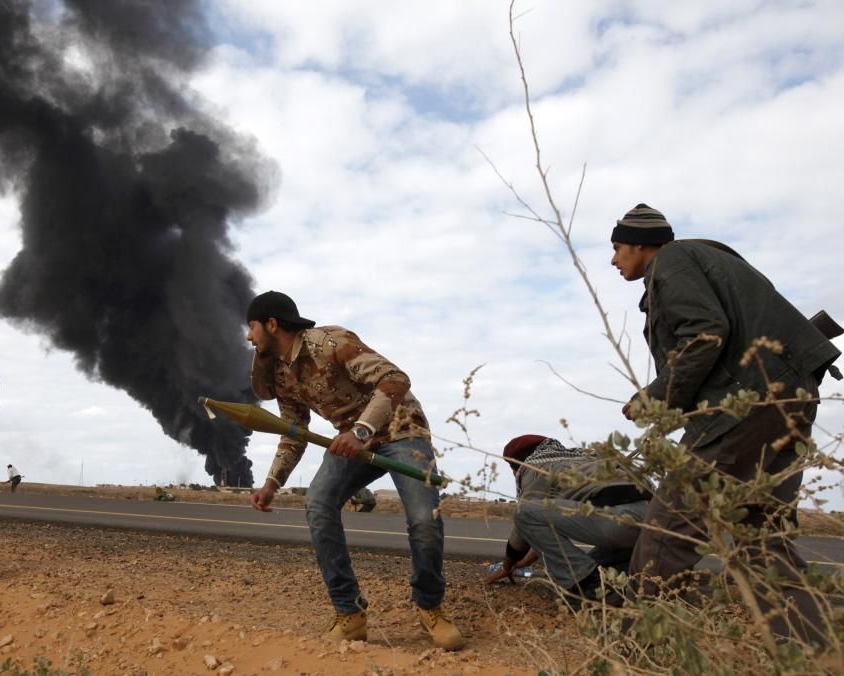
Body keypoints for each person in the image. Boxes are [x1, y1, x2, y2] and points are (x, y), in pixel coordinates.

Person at [610, 203, 841, 643]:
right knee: (760, 541)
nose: (614, 259)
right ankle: (814, 654)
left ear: (641, 244)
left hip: (746, 408)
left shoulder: (672, 262)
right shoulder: (707, 260)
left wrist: (655, 398)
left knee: (666, 529)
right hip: (782, 401)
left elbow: (704, 335)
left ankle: (632, 650)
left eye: (618, 248)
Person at [247, 291, 463, 650]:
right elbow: (293, 432)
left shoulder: (330, 342)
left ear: (272, 324)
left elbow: (395, 379)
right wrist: (272, 484)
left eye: (251, 327)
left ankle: (430, 606)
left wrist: (362, 431)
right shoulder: (282, 375)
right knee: (317, 504)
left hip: (401, 430)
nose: (248, 337)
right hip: (351, 442)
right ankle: (350, 614)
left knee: (425, 519)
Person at [485, 435, 650, 608]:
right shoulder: (584, 458)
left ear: (517, 463)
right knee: (592, 564)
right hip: (650, 525)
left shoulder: (535, 467)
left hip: (619, 523)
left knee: (524, 514)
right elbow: (543, 531)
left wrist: (507, 566)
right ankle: (626, 586)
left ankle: (588, 590)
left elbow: (524, 525)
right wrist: (524, 563)